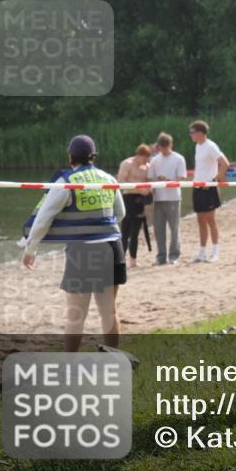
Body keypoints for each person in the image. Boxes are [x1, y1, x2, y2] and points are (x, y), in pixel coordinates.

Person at [21, 136, 125, 352]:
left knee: (76, 314)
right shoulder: (108, 178)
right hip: (113, 248)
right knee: (109, 311)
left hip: (83, 252)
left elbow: (43, 218)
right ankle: (114, 358)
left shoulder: (66, 181)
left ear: (70, 156)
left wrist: (31, 249)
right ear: (93, 156)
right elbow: (120, 214)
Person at [189, 121, 229, 262]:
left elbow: (225, 163)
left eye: (192, 132)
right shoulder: (197, 147)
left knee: (210, 220)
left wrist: (214, 181)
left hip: (209, 188)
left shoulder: (211, 146)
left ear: (200, 133)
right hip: (198, 187)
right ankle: (202, 252)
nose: (191, 135)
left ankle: (215, 252)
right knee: (200, 220)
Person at [149, 132, 188, 265]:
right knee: (158, 228)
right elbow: (151, 178)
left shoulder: (179, 158)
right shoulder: (154, 160)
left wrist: (169, 180)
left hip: (173, 197)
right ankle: (160, 256)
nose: (164, 149)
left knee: (174, 227)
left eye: (166, 146)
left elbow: (182, 177)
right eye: (161, 147)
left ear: (171, 145)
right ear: (158, 146)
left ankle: (174, 255)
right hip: (158, 198)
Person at [116, 144, 152, 268]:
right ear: (140, 155)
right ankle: (120, 259)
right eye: (145, 157)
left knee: (135, 232)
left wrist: (148, 190)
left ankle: (133, 260)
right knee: (125, 231)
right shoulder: (127, 163)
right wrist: (138, 188)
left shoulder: (147, 166)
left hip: (140, 200)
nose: (147, 160)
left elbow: (148, 181)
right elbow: (121, 181)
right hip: (128, 198)